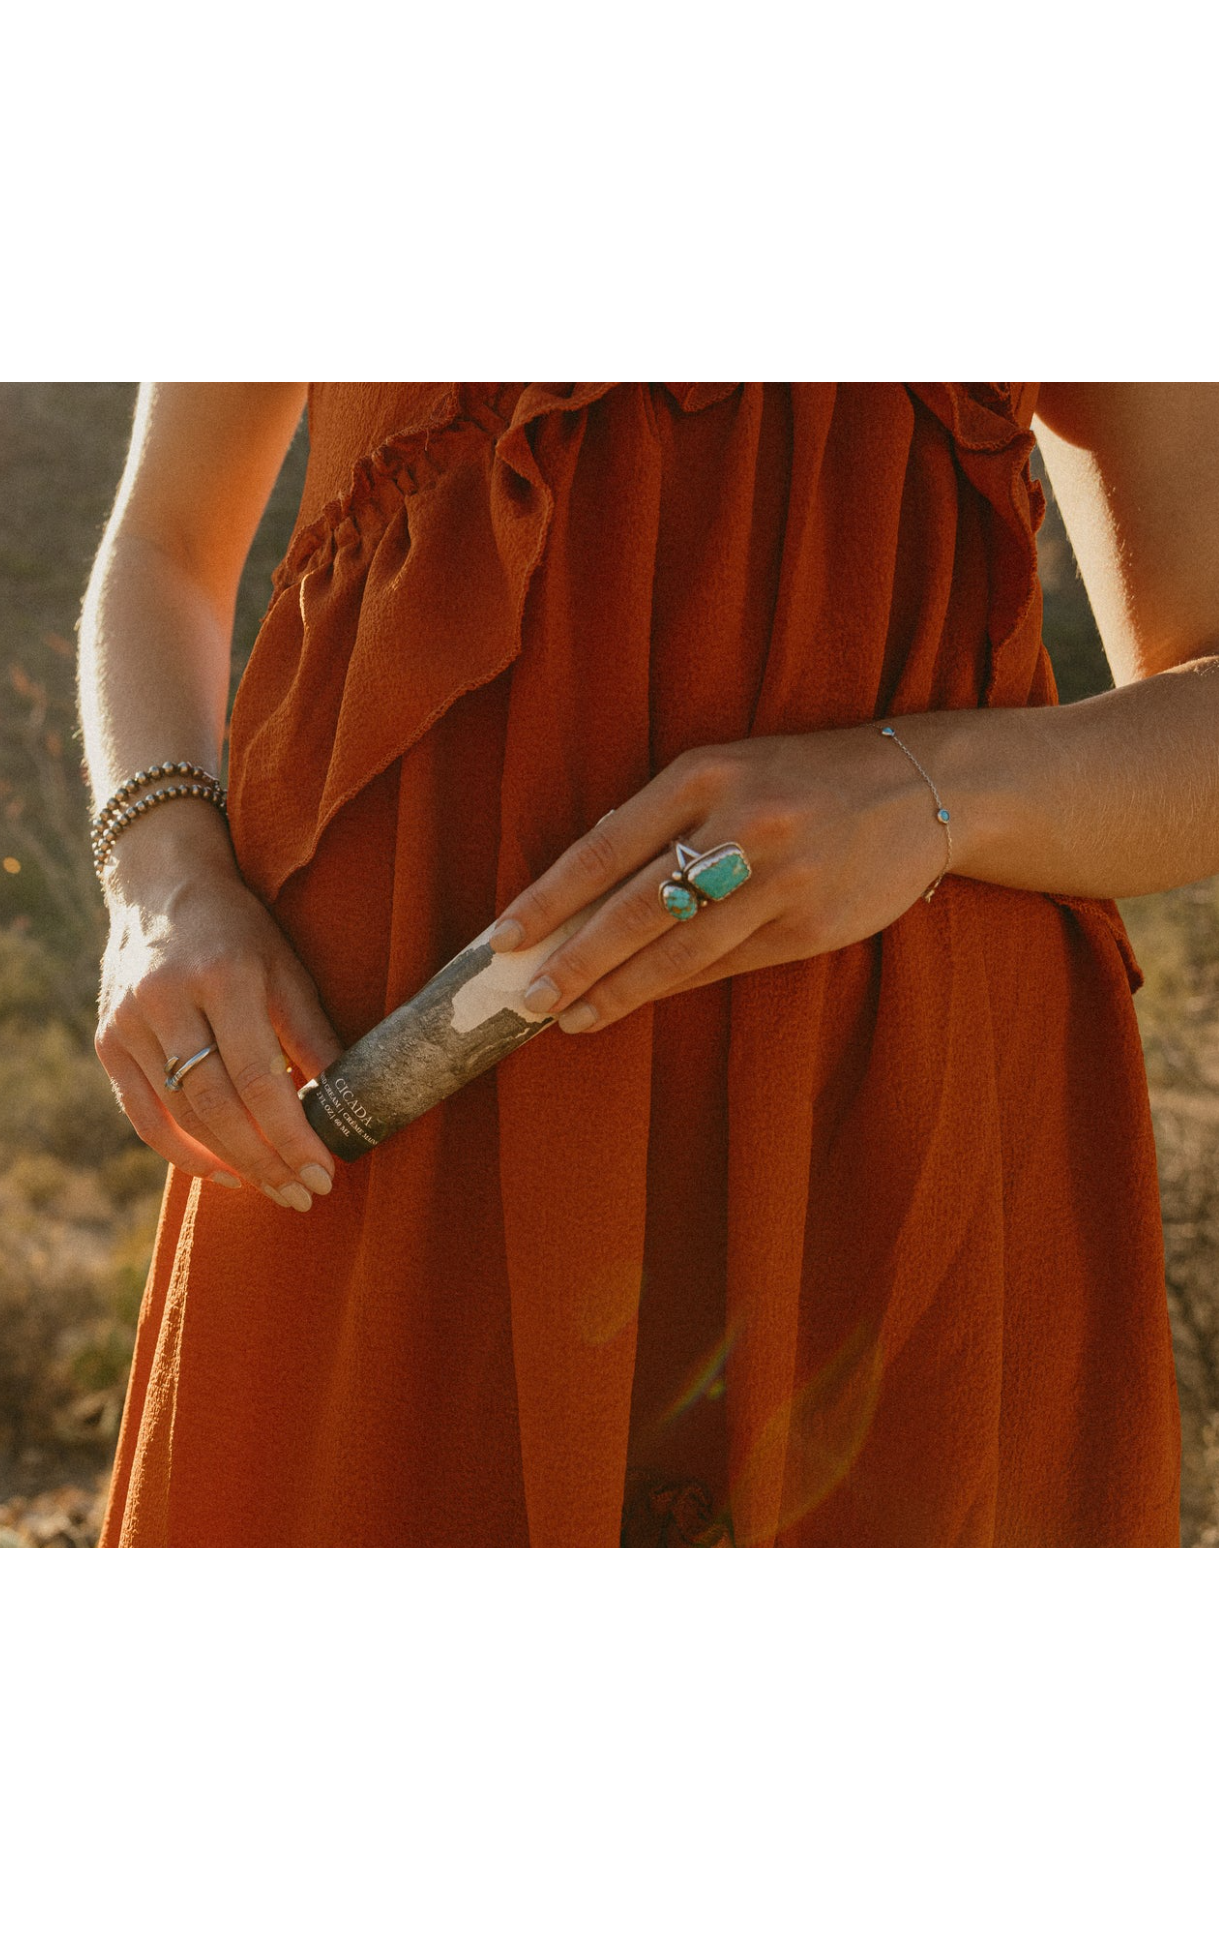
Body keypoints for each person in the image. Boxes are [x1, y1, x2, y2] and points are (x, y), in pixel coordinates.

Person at [79, 383, 1217, 1547]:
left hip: (896, 1133)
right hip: (371, 1109)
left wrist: (925, 789)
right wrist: (163, 883)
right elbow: (165, 548)